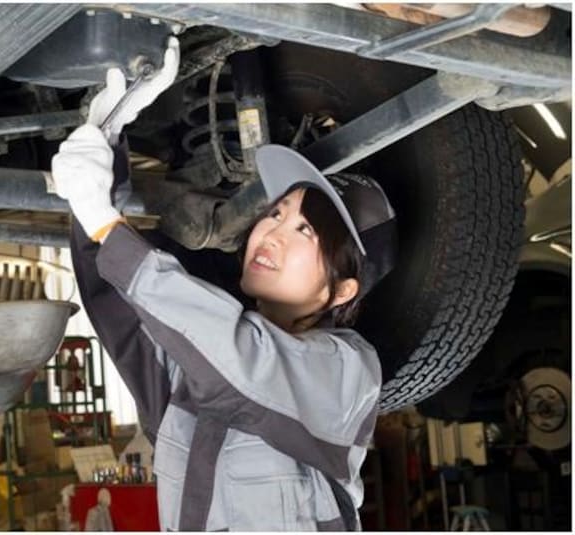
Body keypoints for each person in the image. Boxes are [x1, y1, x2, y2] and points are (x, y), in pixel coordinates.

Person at [52, 37, 398, 531]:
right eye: (276, 213)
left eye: (304, 231)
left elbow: (242, 363)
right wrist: (106, 146)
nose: (272, 233)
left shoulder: (346, 373)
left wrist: (107, 224)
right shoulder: (200, 353)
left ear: (341, 290)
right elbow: (120, 303)